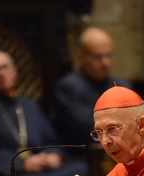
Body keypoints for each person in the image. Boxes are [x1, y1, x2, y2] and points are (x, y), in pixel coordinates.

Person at [51, 27, 132, 161]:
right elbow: (86, 127)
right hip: (83, 156)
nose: (105, 63)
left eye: (108, 56)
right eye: (98, 57)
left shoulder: (122, 85)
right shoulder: (68, 87)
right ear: (81, 56)